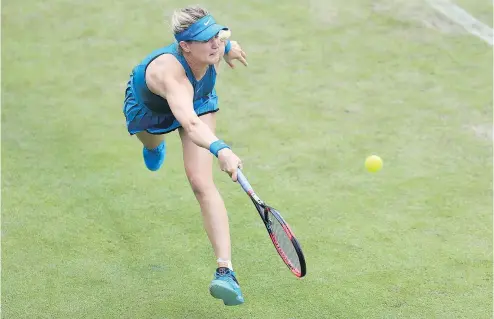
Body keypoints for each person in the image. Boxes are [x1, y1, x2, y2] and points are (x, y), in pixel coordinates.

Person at [122, 5, 248, 306]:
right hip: (152, 111)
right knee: (152, 145)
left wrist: (229, 46)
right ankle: (153, 146)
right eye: (206, 40)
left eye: (215, 36)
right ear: (185, 46)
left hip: (199, 100)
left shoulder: (212, 44)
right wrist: (222, 149)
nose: (214, 43)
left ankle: (225, 271)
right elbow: (190, 124)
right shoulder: (171, 74)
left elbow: (223, 37)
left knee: (201, 183)